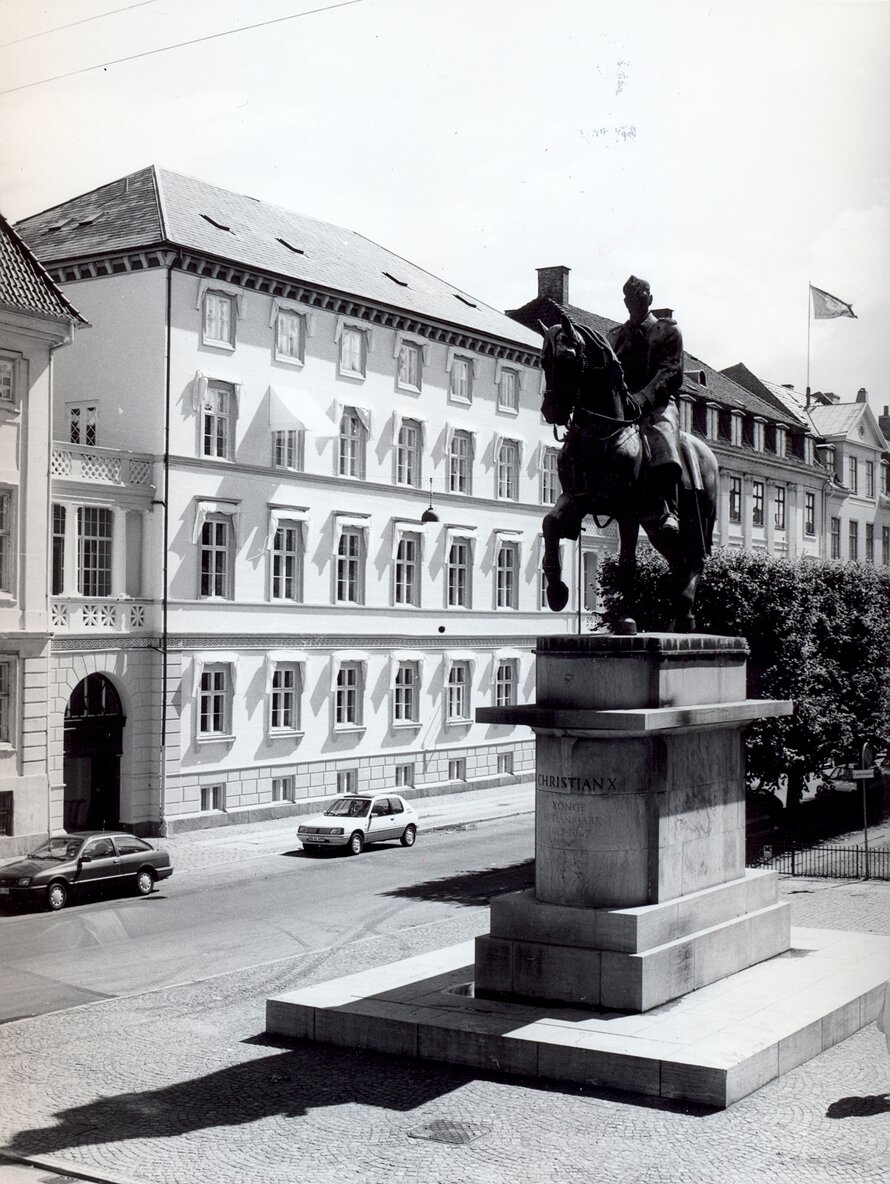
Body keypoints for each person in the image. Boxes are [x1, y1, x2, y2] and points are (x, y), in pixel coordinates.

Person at [608, 275, 684, 535]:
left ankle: (669, 509)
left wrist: (641, 399)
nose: (634, 304)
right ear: (625, 301)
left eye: (640, 298)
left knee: (663, 438)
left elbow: (670, 372)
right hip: (620, 410)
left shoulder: (667, 332)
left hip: (657, 405)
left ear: (650, 300)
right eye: (630, 299)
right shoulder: (614, 336)